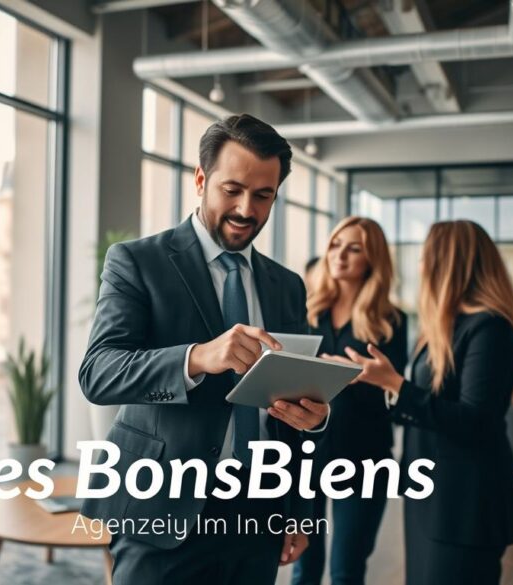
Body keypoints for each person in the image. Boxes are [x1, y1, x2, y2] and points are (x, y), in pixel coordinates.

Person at [80, 114, 330, 585]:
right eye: (231, 189)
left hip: (259, 511)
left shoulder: (288, 285)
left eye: (263, 195)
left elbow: (294, 405)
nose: (245, 209)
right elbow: (99, 373)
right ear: (201, 179)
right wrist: (198, 357)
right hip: (161, 508)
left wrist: (302, 503)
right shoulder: (137, 261)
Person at [330, 220, 513, 585]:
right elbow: (425, 405)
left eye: (426, 258)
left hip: (466, 504)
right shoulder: (447, 326)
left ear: (449, 263)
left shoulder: (490, 328)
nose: (421, 267)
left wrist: (393, 383)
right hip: (433, 496)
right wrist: (385, 384)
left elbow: (475, 421)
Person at [293, 217, 407, 585]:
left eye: (354, 248)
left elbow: (394, 395)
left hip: (364, 456)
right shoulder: (306, 312)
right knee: (303, 567)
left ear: (372, 259)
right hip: (306, 454)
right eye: (336, 245)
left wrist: (357, 376)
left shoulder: (390, 321)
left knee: (346, 570)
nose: (340, 255)